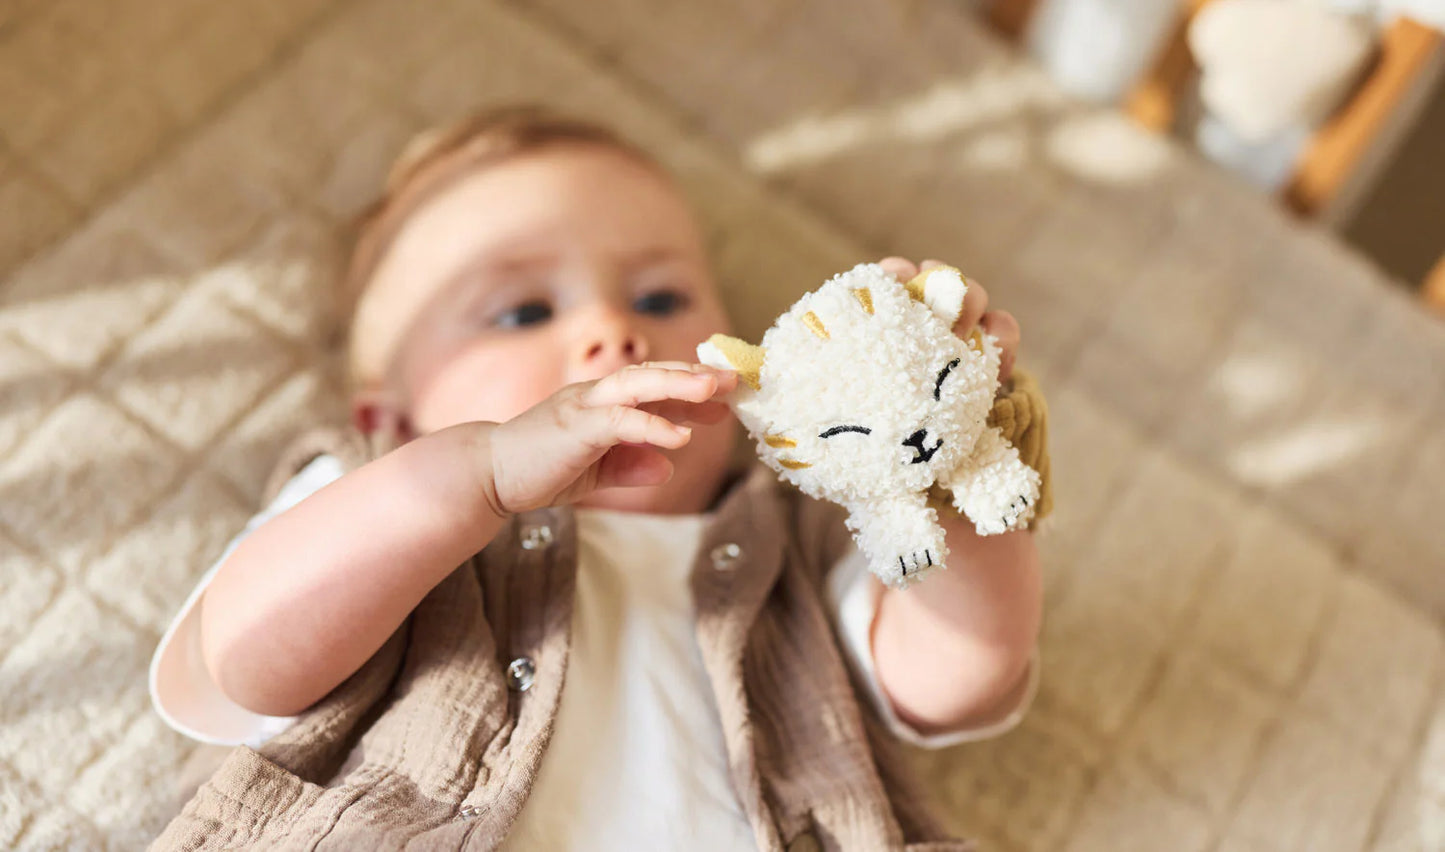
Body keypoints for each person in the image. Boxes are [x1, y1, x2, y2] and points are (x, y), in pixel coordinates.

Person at [148, 106, 1051, 850]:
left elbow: (957, 674)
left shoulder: (798, 535)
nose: (613, 332)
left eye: (660, 300)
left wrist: (943, 450)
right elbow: (241, 664)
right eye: (523, 311)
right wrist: (478, 475)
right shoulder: (371, 500)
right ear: (385, 416)